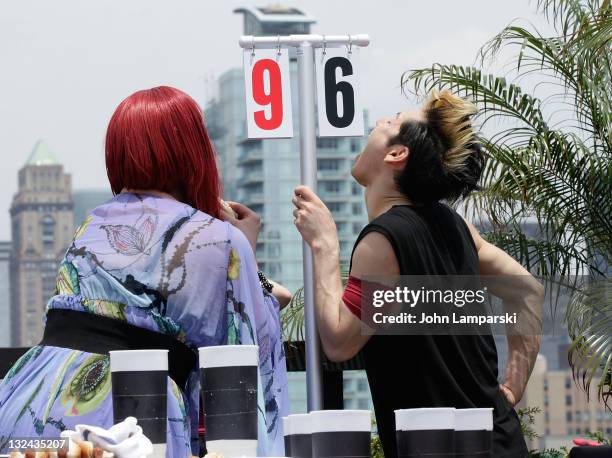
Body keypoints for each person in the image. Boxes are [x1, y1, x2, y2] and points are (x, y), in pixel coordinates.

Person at [0, 86, 290, 457]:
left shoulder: (90, 226)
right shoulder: (216, 239)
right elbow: (250, 366)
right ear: (194, 152)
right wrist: (244, 253)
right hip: (129, 417)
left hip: (30, 400)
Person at [293, 90, 543, 457]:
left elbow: (340, 341)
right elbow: (527, 291)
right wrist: (510, 389)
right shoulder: (457, 227)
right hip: (498, 440)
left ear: (397, 154)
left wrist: (324, 246)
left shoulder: (383, 240)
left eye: (391, 121)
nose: (379, 122)